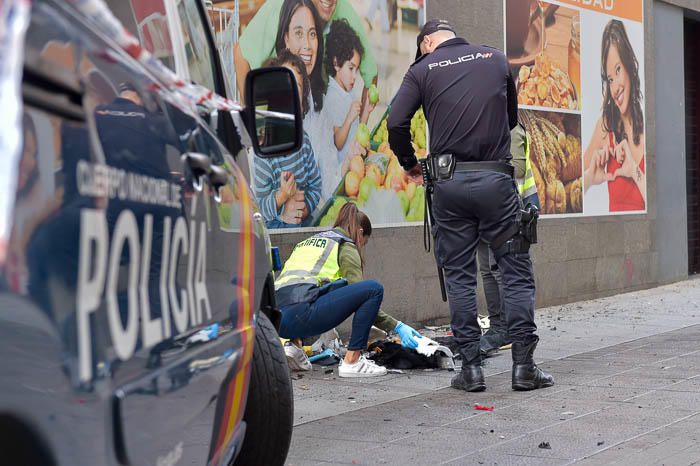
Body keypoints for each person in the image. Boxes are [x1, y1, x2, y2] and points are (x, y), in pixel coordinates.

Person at [387, 19, 553, 392]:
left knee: (460, 275)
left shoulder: (422, 70)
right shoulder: (496, 59)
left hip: (448, 185)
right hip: (497, 182)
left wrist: (411, 164)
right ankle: (524, 367)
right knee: (515, 270)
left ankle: (471, 370)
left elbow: (396, 123)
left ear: (427, 41)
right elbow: (510, 119)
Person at [276, 203, 423, 377]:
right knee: (372, 289)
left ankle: (293, 347)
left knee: (319, 289)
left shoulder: (308, 243)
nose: (361, 246)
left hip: (276, 320)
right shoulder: (344, 245)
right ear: (360, 232)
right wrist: (397, 326)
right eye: (364, 242)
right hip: (302, 313)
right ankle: (352, 360)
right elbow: (362, 296)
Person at [234, 0, 378, 123]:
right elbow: (241, 55)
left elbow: (371, 73)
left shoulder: (341, 7)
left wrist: (361, 129)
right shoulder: (280, 6)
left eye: (313, 34)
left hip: (312, 110)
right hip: (275, 105)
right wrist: (256, 125)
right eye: (298, 33)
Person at [478, 121, 540, 357]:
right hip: (485, 208)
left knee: (501, 271)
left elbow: (517, 169)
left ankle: (510, 329)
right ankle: (497, 326)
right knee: (486, 269)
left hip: (507, 211)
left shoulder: (509, 126)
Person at [254, 51, 322, 228]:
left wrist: (304, 209)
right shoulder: (263, 152)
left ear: (301, 105)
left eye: (296, 86)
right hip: (275, 235)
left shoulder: (304, 142)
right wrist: (282, 197)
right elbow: (259, 208)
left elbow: (315, 185)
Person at [583, 19, 645, 212]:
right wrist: (589, 180)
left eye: (618, 70)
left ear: (629, 66)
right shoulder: (606, 127)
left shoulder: (649, 126)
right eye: (610, 79)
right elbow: (572, 186)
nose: (614, 87)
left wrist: (634, 170)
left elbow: (661, 203)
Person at [321, 19, 372, 199]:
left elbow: (357, 134)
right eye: (350, 68)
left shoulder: (346, 93)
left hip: (354, 167)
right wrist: (350, 117)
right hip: (343, 177)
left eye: (356, 70)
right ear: (336, 63)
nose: (354, 76)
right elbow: (338, 142)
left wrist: (366, 112)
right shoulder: (332, 97)